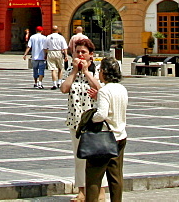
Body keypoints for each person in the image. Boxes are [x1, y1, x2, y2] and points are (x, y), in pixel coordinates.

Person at [61, 37, 101, 202]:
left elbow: (100, 88)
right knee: (79, 156)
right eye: (77, 52)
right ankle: (82, 191)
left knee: (96, 157)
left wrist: (85, 72)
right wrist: (74, 72)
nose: (80, 55)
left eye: (83, 52)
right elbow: (64, 89)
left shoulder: (96, 69)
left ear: (91, 54)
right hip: (75, 119)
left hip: (93, 119)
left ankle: (99, 190)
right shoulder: (71, 69)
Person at [85, 56, 128, 202]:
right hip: (121, 135)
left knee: (93, 176)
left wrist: (91, 118)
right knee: (115, 176)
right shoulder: (122, 89)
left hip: (104, 138)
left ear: (103, 71)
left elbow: (102, 114)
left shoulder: (105, 90)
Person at [45, 25, 70, 89]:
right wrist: (66, 56)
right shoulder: (61, 37)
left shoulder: (48, 37)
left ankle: (54, 84)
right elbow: (64, 47)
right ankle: (59, 82)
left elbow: (45, 47)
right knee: (60, 68)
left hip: (51, 52)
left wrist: (46, 54)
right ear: (58, 30)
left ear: (52, 30)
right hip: (59, 52)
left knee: (53, 69)